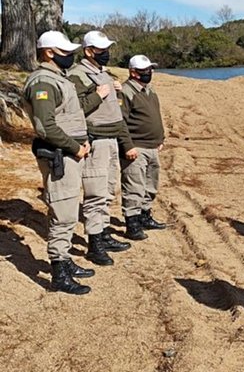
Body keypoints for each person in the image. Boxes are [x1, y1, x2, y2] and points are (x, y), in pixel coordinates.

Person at [22, 31, 94, 294]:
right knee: (62, 214)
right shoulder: (43, 82)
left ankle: (65, 260)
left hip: (69, 153)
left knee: (68, 209)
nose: (70, 56)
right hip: (60, 155)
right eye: (65, 52)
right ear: (49, 52)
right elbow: (45, 126)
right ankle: (59, 273)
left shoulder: (57, 78)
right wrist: (75, 147)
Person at [68, 30, 134, 266]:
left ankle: (104, 233)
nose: (106, 54)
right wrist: (98, 95)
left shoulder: (101, 72)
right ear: (88, 51)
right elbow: (74, 110)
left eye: (107, 50)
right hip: (96, 140)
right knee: (95, 193)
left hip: (111, 139)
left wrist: (113, 88)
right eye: (102, 50)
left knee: (107, 190)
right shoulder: (78, 75)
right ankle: (94, 244)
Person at [119, 54, 167, 240]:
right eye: (144, 71)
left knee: (150, 185)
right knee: (134, 187)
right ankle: (132, 224)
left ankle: (145, 216)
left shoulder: (149, 90)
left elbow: (155, 116)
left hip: (153, 146)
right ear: (133, 72)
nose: (149, 73)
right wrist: (128, 146)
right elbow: (121, 122)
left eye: (150, 69)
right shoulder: (126, 91)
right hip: (136, 147)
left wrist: (160, 138)